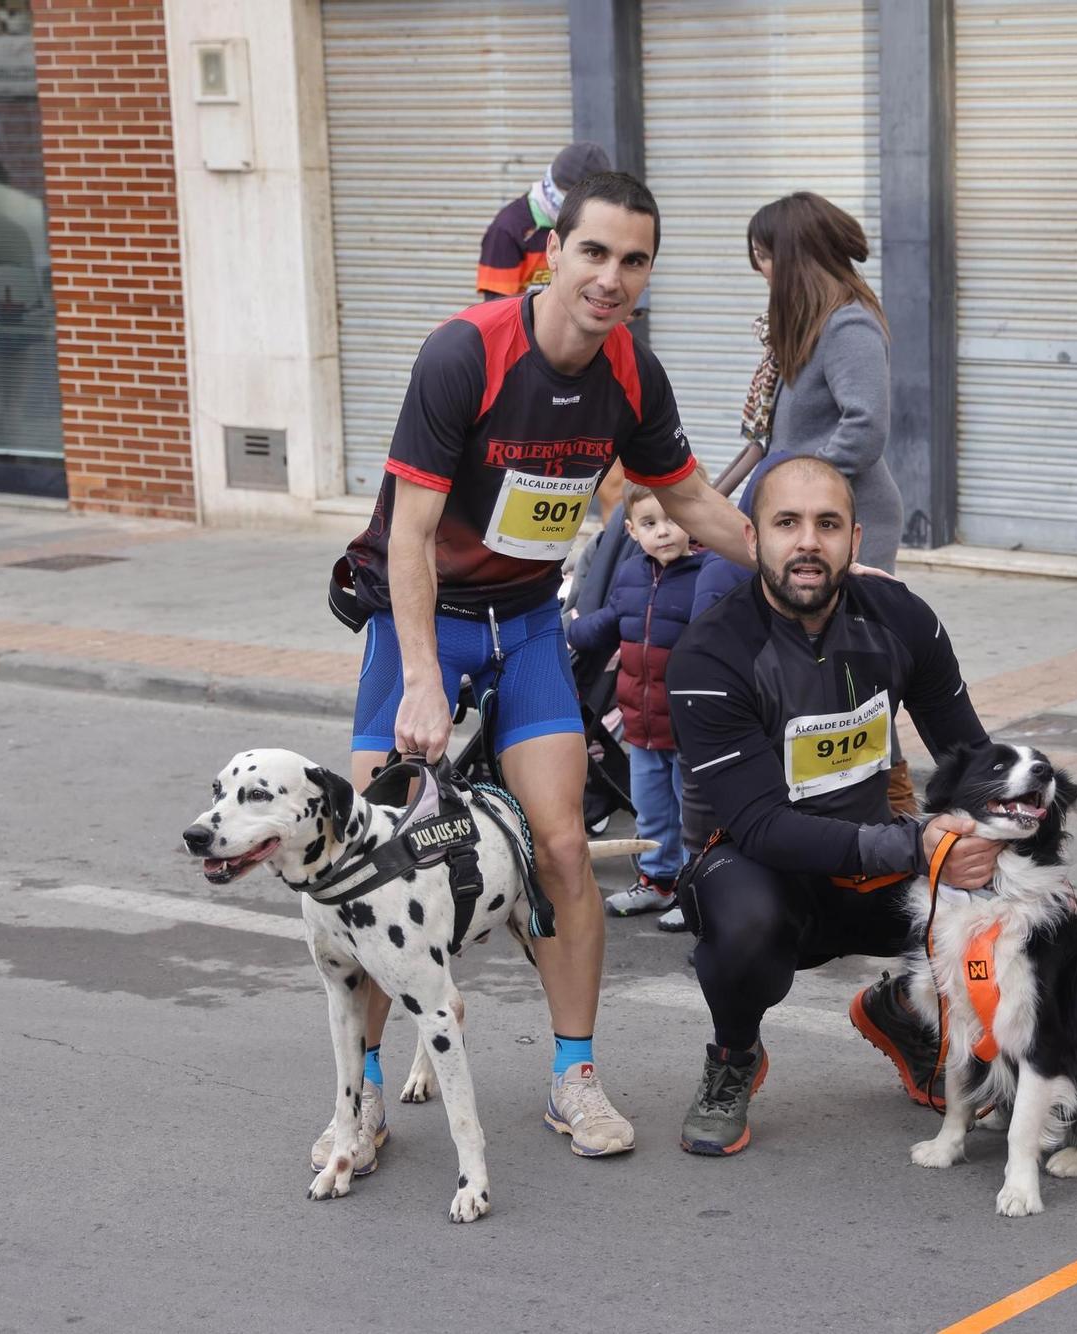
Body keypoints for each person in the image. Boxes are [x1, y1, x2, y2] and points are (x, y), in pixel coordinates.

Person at [325, 171, 754, 1166]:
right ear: (553, 251)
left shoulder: (632, 376)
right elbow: (410, 535)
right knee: (379, 866)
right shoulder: (463, 352)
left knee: (562, 845)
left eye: (633, 260)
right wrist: (423, 678)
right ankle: (365, 1095)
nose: (610, 278)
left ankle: (573, 1074)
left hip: (523, 629)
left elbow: (688, 501)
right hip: (421, 622)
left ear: (648, 273)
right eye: (593, 252)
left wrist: (794, 563)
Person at [665, 456, 1007, 1156]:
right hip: (758, 869)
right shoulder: (710, 654)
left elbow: (972, 761)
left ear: (855, 537)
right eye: (786, 523)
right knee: (746, 921)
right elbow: (761, 826)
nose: (808, 543)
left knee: (999, 888)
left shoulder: (900, 618)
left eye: (827, 524)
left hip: (871, 861)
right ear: (752, 537)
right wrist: (919, 846)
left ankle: (903, 1009)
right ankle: (734, 1056)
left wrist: (1007, 832)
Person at [746, 193, 921, 814]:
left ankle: (894, 809)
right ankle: (828, 802)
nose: (762, 271)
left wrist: (797, 490)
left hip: (850, 521)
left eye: (765, 257)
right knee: (811, 665)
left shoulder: (848, 325)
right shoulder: (807, 327)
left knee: (853, 666)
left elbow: (865, 428)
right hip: (801, 517)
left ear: (792, 257)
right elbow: (769, 440)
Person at [566, 483, 703, 919]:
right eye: (649, 523)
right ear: (631, 530)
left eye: (672, 520)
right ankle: (656, 880)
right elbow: (608, 623)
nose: (662, 532)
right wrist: (566, 629)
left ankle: (691, 890)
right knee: (650, 810)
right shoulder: (631, 575)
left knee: (691, 816)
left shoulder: (707, 574)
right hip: (640, 724)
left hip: (686, 728)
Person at [475, 141, 611, 301]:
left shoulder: (595, 221)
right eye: (571, 196)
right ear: (552, 184)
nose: (577, 207)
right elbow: (497, 311)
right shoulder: (507, 230)